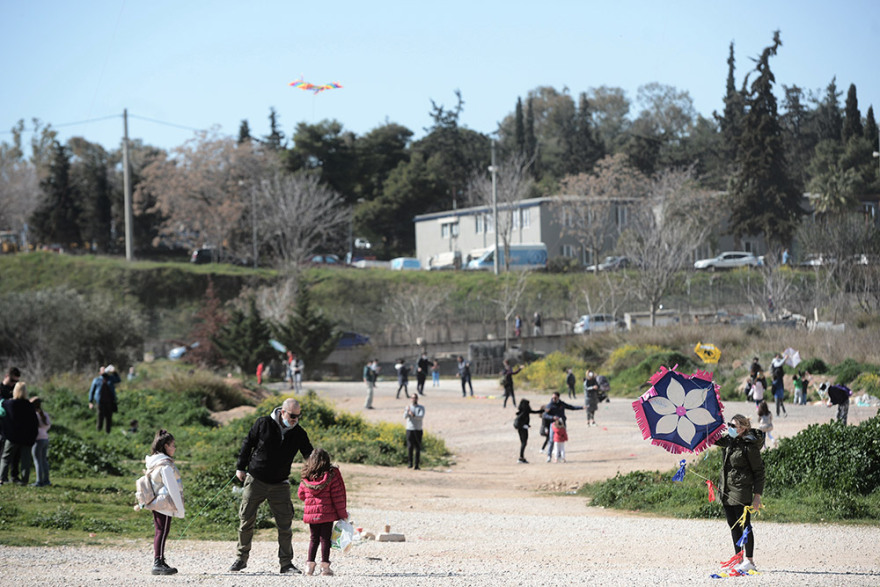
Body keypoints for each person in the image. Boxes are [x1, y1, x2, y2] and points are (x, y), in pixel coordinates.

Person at [230, 398, 313, 575]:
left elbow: (309, 454)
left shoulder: (299, 433)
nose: (295, 420)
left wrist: (322, 468)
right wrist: (240, 467)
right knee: (246, 520)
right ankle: (240, 559)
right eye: (292, 416)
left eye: (298, 416)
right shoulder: (263, 423)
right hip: (256, 479)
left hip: (280, 484)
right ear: (282, 412)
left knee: (285, 525)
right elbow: (248, 442)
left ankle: (286, 564)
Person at [714, 414, 765, 574]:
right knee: (733, 524)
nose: (730, 427)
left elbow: (759, 472)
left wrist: (757, 495)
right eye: (729, 424)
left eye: (733, 425)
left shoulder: (749, 446)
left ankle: (749, 560)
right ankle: (738, 558)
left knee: (744, 525)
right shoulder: (729, 440)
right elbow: (713, 438)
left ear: (743, 428)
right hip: (727, 490)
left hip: (742, 491)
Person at [297, 448, 348, 576]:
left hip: (311, 514)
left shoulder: (306, 475)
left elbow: (301, 495)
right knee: (325, 539)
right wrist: (343, 515)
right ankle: (325, 567)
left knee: (313, 539)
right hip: (327, 513)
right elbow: (338, 497)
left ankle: (309, 566)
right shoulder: (331, 475)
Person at [142, 429, 185, 576]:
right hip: (165, 503)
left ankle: (160, 560)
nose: (174, 448)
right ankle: (158, 563)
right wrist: (180, 509)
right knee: (162, 531)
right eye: (173, 445)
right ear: (166, 446)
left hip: (157, 502)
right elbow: (172, 488)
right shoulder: (165, 465)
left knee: (160, 531)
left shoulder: (155, 461)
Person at [0, 382, 38, 485]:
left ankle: (2, 478)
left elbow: (1, 403)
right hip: (26, 437)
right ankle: (25, 480)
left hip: (12, 436)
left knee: (6, 458)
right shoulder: (29, 405)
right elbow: (34, 422)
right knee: (25, 460)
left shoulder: (9, 404)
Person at [542, 392, 583, 462]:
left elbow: (571, 407)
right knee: (551, 440)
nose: (553, 399)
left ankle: (560, 456)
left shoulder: (561, 404)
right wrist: (552, 417)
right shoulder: (550, 405)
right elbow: (544, 415)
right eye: (553, 398)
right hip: (553, 424)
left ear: (558, 397)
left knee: (561, 440)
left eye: (555, 398)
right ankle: (549, 456)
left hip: (562, 424)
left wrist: (581, 407)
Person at [88, 365, 120, 434]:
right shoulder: (96, 380)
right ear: (100, 372)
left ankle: (107, 432)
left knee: (109, 417)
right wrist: (90, 402)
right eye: (102, 370)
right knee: (100, 416)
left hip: (109, 402)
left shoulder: (111, 379)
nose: (104, 371)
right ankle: (98, 431)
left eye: (105, 370)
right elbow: (92, 391)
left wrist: (114, 372)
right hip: (100, 402)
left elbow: (118, 380)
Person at [29, 396, 51, 487]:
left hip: (37, 440)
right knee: (44, 461)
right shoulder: (44, 414)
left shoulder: (33, 415)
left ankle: (39, 481)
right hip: (45, 438)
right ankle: (46, 480)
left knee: (37, 461)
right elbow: (48, 425)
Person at [513, 399, 543, 464]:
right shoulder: (524, 412)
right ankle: (521, 458)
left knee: (523, 443)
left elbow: (533, 412)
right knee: (524, 443)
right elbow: (533, 412)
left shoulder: (522, 411)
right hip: (523, 429)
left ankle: (522, 457)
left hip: (521, 429)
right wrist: (525, 425)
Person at [404, 393, 426, 470]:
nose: (414, 399)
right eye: (412, 398)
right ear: (410, 399)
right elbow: (405, 417)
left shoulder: (421, 407)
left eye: (415, 398)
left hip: (418, 429)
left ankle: (417, 465)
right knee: (410, 447)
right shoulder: (408, 407)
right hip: (409, 429)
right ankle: (410, 463)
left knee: (417, 447)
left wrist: (413, 415)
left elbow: (420, 417)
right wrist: (407, 412)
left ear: (417, 399)